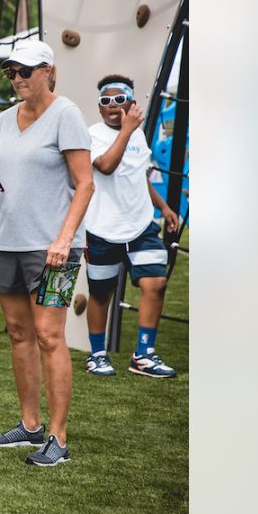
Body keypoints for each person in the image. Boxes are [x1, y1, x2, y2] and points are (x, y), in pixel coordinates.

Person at [0, 38, 93, 467]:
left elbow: (85, 184)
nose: (17, 79)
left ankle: (58, 439)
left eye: (26, 71)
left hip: (52, 249)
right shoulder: (6, 118)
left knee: (49, 336)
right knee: (18, 334)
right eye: (11, 72)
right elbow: (6, 170)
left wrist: (64, 239)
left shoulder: (67, 115)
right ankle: (29, 427)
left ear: (49, 71)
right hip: (5, 239)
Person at [82, 74, 180, 378]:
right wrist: (126, 130)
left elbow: (139, 176)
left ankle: (143, 354)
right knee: (101, 294)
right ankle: (97, 355)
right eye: (105, 101)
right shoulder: (92, 134)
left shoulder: (138, 135)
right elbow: (107, 167)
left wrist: (163, 207)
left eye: (119, 99)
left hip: (140, 226)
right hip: (103, 228)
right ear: (99, 108)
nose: (112, 105)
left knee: (156, 283)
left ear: (132, 102)